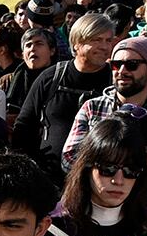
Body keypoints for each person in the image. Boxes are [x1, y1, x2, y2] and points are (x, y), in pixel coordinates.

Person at [59, 36, 147, 184]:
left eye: (132, 65)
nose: (121, 71)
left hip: (146, 201)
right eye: (116, 64)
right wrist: (106, 174)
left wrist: (129, 176)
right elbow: (68, 159)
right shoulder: (92, 107)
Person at [12, 12, 115, 169]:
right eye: (96, 40)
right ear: (76, 43)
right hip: (49, 181)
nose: (104, 46)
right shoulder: (51, 77)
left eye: (108, 40)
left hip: (100, 181)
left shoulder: (115, 80)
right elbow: (24, 126)